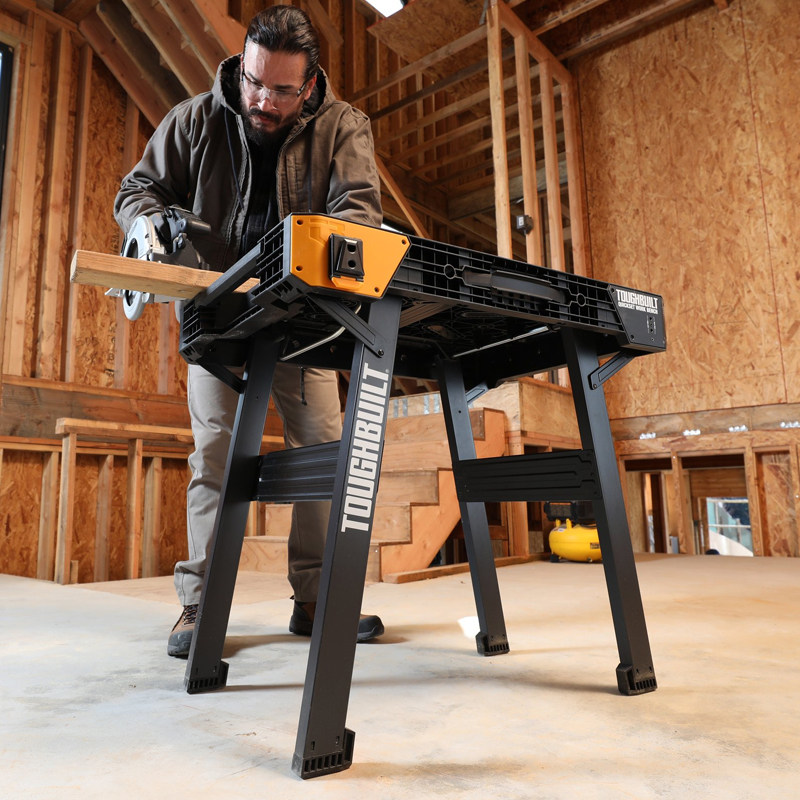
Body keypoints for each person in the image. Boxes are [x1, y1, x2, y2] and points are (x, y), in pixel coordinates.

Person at [114, 5, 385, 657]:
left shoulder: (343, 126)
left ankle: (317, 599)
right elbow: (137, 190)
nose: (263, 100)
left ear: (309, 85)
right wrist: (151, 223)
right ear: (242, 65)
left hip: (305, 319)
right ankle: (201, 605)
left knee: (324, 451)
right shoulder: (194, 120)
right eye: (254, 82)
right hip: (217, 316)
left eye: (282, 90)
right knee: (214, 454)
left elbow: (359, 212)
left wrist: (321, 260)